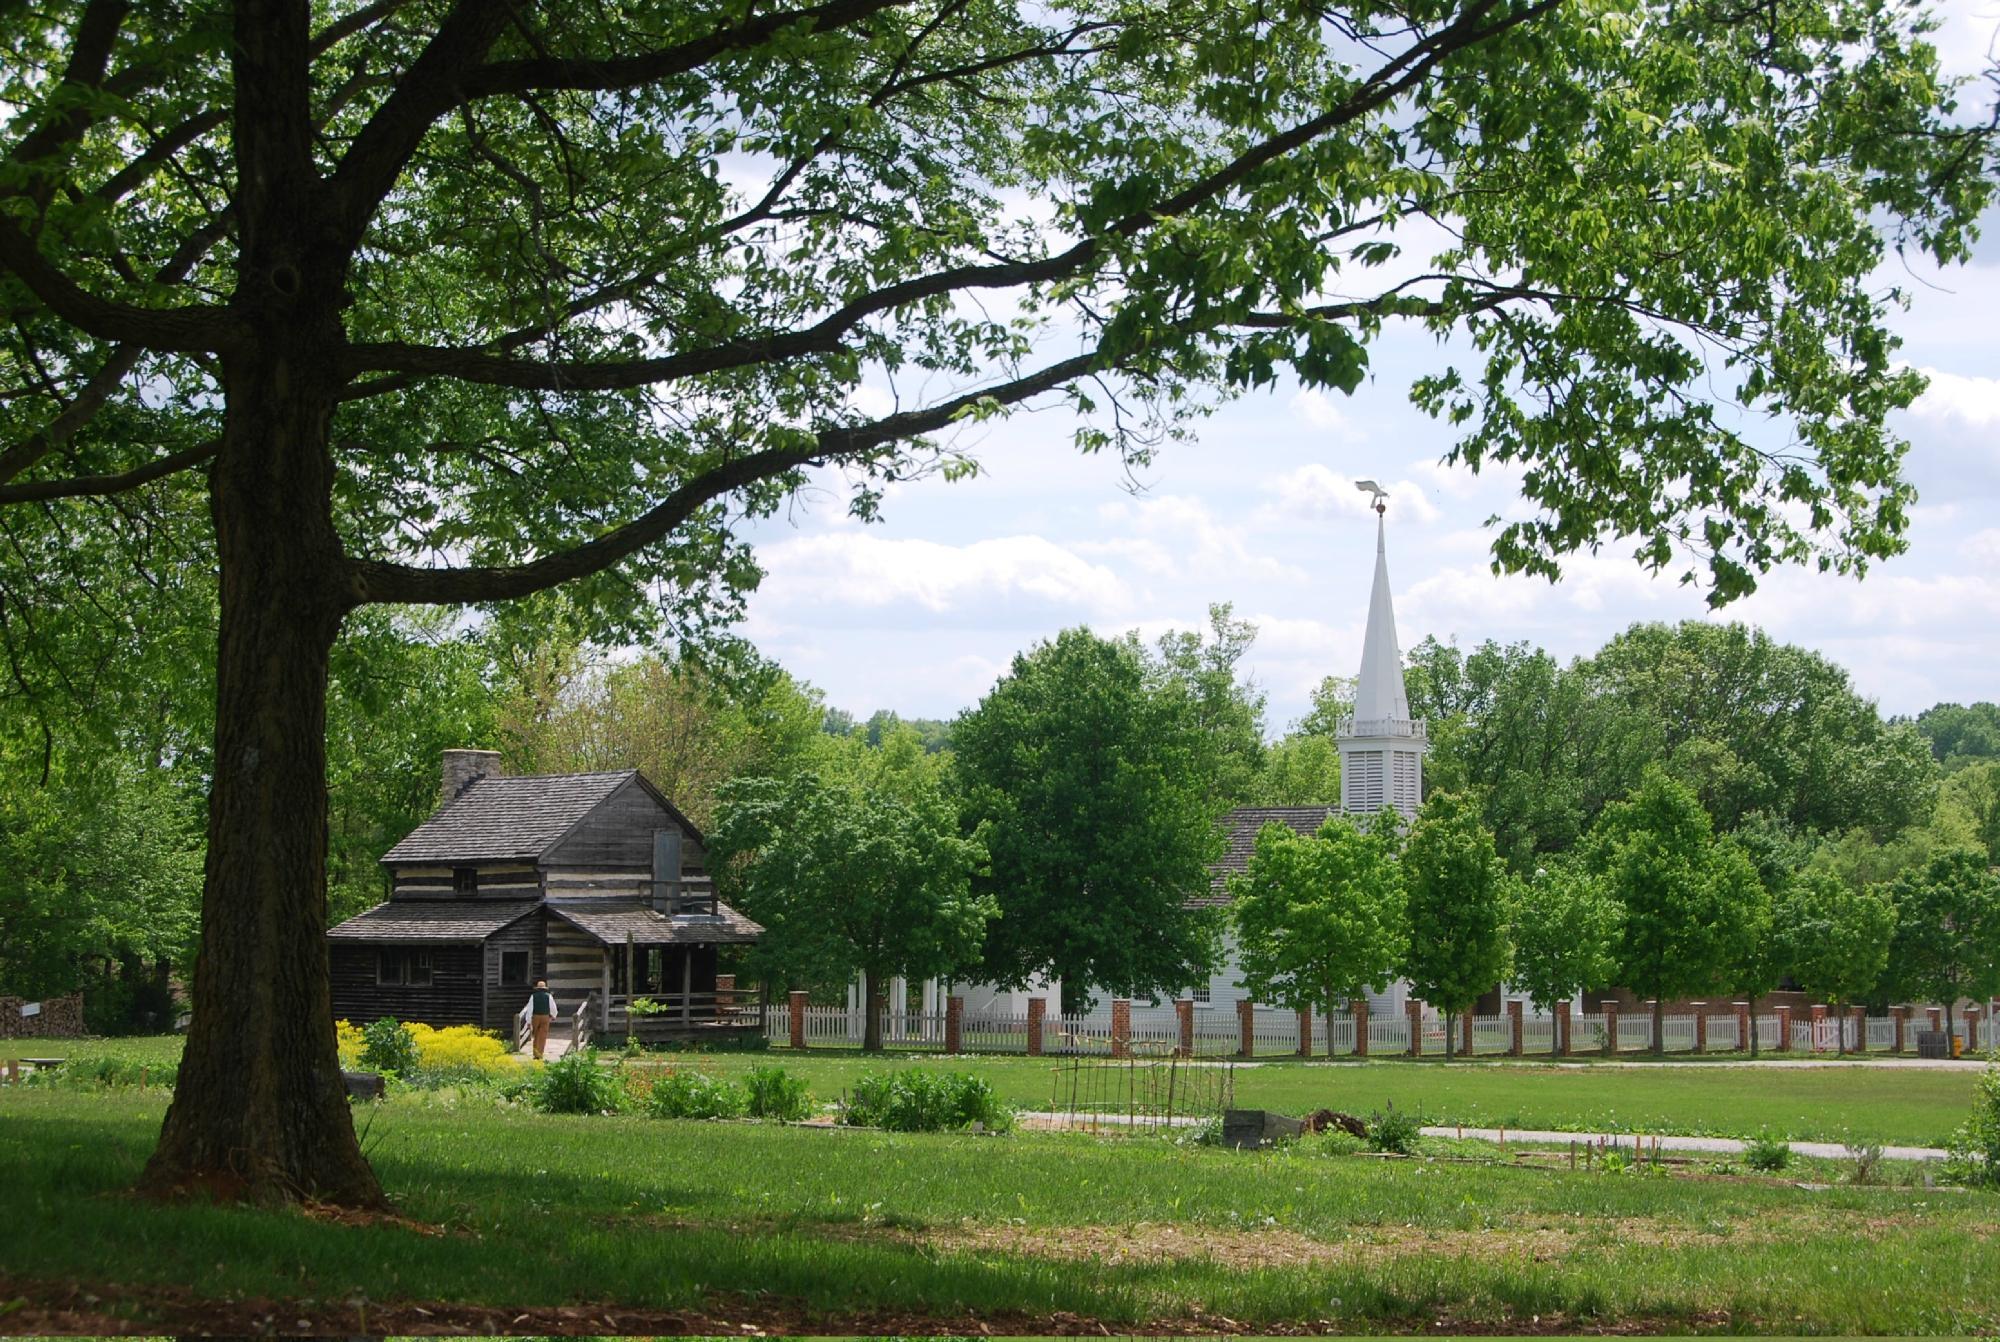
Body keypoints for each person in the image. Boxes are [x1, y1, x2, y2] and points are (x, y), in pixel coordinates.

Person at [526, 979, 559, 1060]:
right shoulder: (549, 996)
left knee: (536, 1034)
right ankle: (540, 1053)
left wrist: (528, 1021)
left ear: (537, 989)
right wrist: (554, 1016)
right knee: (543, 1035)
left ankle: (535, 1053)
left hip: (535, 1017)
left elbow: (530, 1009)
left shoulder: (533, 996)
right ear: (545, 989)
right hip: (545, 1016)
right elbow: (553, 1007)